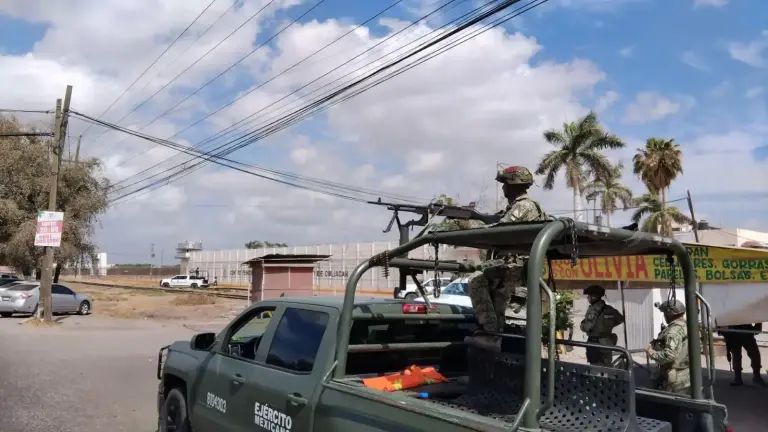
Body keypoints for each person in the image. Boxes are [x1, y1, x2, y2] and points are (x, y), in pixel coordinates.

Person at [464, 165, 550, 351]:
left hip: (514, 265)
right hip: (511, 266)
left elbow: (500, 231)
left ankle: (490, 333)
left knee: (476, 280)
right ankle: (494, 338)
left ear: (513, 185)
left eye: (505, 184)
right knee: (498, 305)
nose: (503, 188)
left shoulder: (524, 206)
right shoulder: (518, 207)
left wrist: (471, 226)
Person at [645, 299, 690, 394]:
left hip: (675, 378)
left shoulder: (673, 331)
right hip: (686, 373)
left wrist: (651, 352)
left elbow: (669, 355)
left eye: (664, 313)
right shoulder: (688, 326)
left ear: (668, 315)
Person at [580, 285, 624, 367]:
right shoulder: (609, 309)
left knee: (596, 368)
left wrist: (582, 325)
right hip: (607, 341)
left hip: (595, 343)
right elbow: (620, 319)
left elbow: (586, 327)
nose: (587, 298)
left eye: (589, 296)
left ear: (594, 297)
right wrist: (609, 326)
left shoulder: (593, 310)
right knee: (607, 366)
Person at [720, 323, 767, 387]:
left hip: (745, 332)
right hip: (734, 334)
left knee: (754, 354)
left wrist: (758, 323)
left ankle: (756, 376)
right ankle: (738, 378)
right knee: (737, 356)